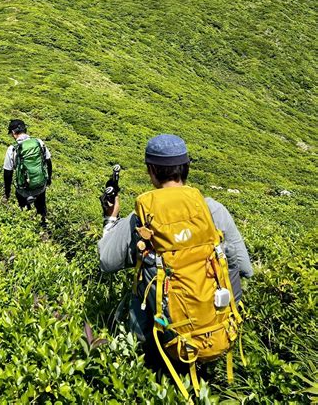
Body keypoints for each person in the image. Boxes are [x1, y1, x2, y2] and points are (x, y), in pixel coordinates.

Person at [98, 134, 253, 395]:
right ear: (186, 168)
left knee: (129, 301)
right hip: (216, 326)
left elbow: (106, 261)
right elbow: (245, 268)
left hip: (164, 333)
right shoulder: (213, 209)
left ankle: (151, 370)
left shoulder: (141, 217)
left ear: (151, 172)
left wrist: (110, 219)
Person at [3, 119, 52, 229]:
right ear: (25, 129)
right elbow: (48, 161)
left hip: (23, 189)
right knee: (41, 207)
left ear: (13, 133)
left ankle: (28, 228)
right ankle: (44, 227)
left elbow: (8, 173)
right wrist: (48, 179)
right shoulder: (39, 142)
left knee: (24, 210)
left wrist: (7, 193)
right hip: (40, 185)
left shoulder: (12, 149)